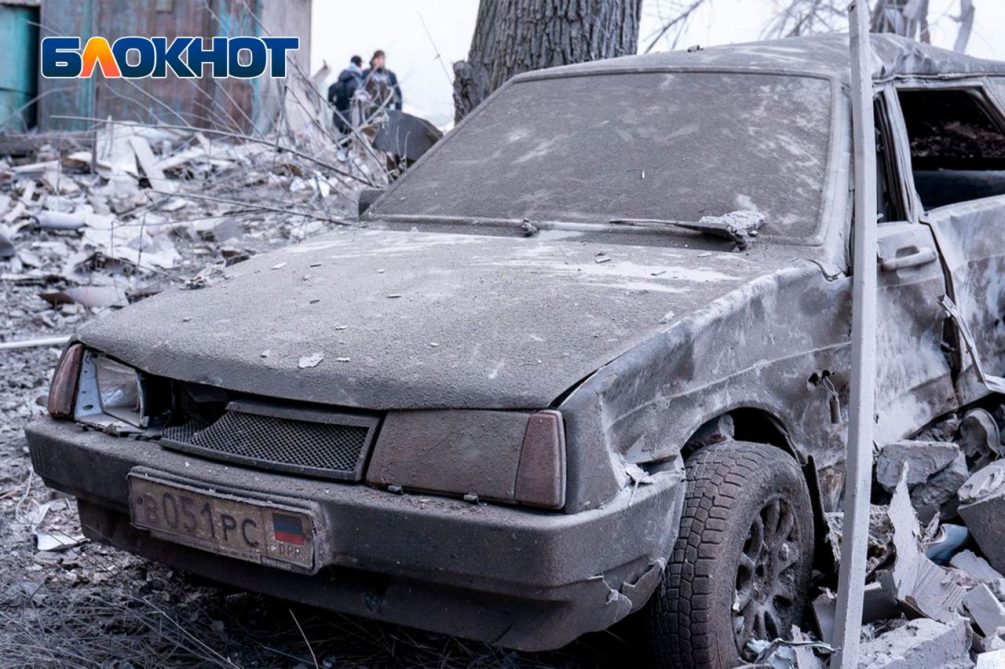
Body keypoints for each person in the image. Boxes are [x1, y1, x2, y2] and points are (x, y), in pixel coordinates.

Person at [328, 55, 364, 133]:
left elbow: (331, 90)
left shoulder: (341, 79)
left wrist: (332, 103)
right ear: (360, 65)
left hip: (338, 118)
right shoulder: (357, 81)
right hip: (352, 120)